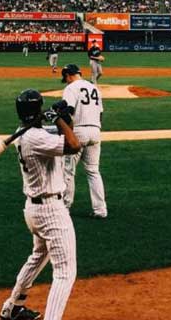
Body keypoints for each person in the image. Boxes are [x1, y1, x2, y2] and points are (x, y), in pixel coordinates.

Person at [0, 88, 82, 320]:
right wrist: (57, 119)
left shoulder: (27, 134)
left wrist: (63, 118)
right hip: (50, 212)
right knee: (65, 273)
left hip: (34, 210)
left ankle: (13, 305)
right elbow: (74, 144)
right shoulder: (35, 138)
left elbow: (62, 134)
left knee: (38, 256)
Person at [58, 64, 107, 219]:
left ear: (68, 75)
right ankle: (100, 210)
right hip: (96, 131)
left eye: (65, 78)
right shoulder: (94, 88)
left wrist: (68, 133)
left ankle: (65, 208)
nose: (65, 81)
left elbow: (68, 113)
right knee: (93, 171)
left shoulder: (71, 88)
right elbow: (101, 115)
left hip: (78, 131)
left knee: (68, 171)